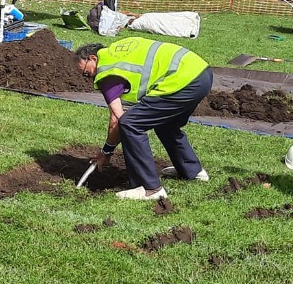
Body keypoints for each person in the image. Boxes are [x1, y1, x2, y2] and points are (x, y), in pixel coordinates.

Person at [75, 37, 213, 200]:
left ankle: (150, 188)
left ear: (93, 58)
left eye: (86, 73)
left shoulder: (106, 72)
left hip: (183, 82)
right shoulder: (118, 49)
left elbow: (116, 121)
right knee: (165, 124)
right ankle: (192, 170)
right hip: (202, 73)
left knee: (130, 124)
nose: (89, 78)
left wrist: (106, 151)